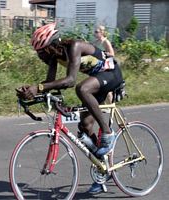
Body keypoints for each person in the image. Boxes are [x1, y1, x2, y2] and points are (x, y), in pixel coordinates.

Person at [16, 22, 123, 194]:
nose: (40, 56)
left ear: (51, 46)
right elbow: (49, 84)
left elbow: (70, 80)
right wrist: (30, 92)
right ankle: (104, 169)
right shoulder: (53, 58)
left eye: (41, 52)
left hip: (112, 74)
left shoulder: (75, 46)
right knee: (85, 126)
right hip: (98, 80)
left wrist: (40, 88)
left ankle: (108, 133)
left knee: (81, 88)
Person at [93, 25, 114, 106]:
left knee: (107, 88)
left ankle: (111, 105)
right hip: (97, 66)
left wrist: (103, 53)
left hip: (105, 66)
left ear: (102, 33)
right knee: (98, 87)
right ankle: (102, 105)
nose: (94, 34)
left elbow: (112, 54)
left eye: (96, 32)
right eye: (94, 32)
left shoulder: (105, 42)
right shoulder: (95, 42)